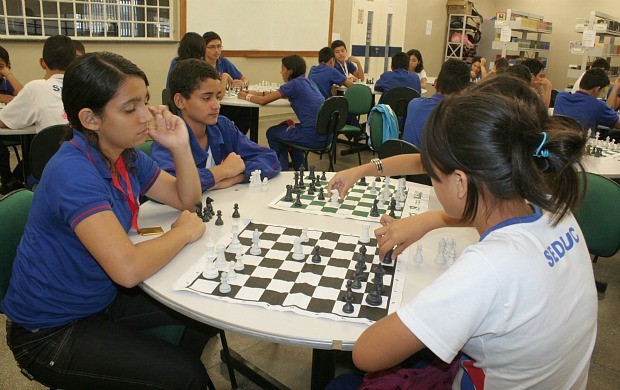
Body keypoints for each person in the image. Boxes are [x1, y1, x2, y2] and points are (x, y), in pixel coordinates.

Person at [329, 76, 597, 389]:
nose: (431, 178)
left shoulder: (487, 268)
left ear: (460, 182)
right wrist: (430, 219)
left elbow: (366, 354)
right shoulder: (553, 206)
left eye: (435, 177)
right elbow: (427, 167)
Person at [0, 51, 215, 389]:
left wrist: (180, 147)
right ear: (91, 119)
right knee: (187, 377)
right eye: (130, 109)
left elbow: (185, 198)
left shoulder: (124, 155)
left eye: (145, 101)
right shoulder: (73, 172)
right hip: (50, 331)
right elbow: (127, 270)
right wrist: (182, 233)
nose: (146, 116)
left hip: (99, 299)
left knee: (206, 310)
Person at [152, 59, 281, 191]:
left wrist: (237, 177)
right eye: (206, 98)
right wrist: (223, 171)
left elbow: (270, 158)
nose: (216, 105)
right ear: (180, 101)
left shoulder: (222, 126)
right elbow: (167, 184)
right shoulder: (168, 138)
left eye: (218, 97)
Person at [0, 35, 74, 193]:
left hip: (49, 172)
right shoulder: (87, 87)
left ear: (42, 63)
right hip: (85, 168)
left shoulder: (36, 88)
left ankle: (13, 186)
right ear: (75, 62)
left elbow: (3, 121)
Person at [238, 55, 324, 171]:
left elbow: (264, 101)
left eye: (283, 69)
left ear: (290, 71)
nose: (281, 72)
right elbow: (276, 94)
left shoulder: (293, 84)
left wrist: (246, 96)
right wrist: (255, 93)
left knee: (272, 132)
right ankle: (300, 168)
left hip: (311, 137)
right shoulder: (308, 82)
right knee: (285, 128)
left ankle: (281, 170)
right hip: (325, 135)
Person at [402, 59, 470, 146]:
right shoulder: (458, 118)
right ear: (464, 91)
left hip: (406, 157)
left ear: (436, 82)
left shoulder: (413, 104)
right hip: (431, 159)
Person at [554, 68, 620, 131]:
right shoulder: (598, 106)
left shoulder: (561, 97)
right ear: (596, 90)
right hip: (582, 141)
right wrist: (616, 87)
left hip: (558, 140)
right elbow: (618, 123)